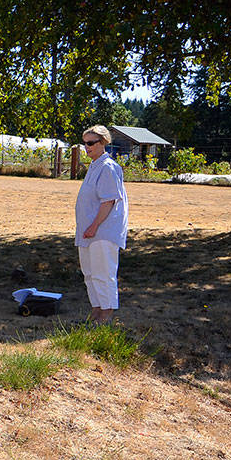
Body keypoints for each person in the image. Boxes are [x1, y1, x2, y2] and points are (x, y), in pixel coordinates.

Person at [75, 125, 128, 323]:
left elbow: (108, 201)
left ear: (103, 143)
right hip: (88, 231)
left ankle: (107, 312)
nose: (86, 147)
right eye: (85, 143)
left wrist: (94, 226)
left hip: (102, 231)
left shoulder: (108, 167)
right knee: (89, 273)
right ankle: (96, 309)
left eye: (91, 143)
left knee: (103, 273)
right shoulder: (94, 165)